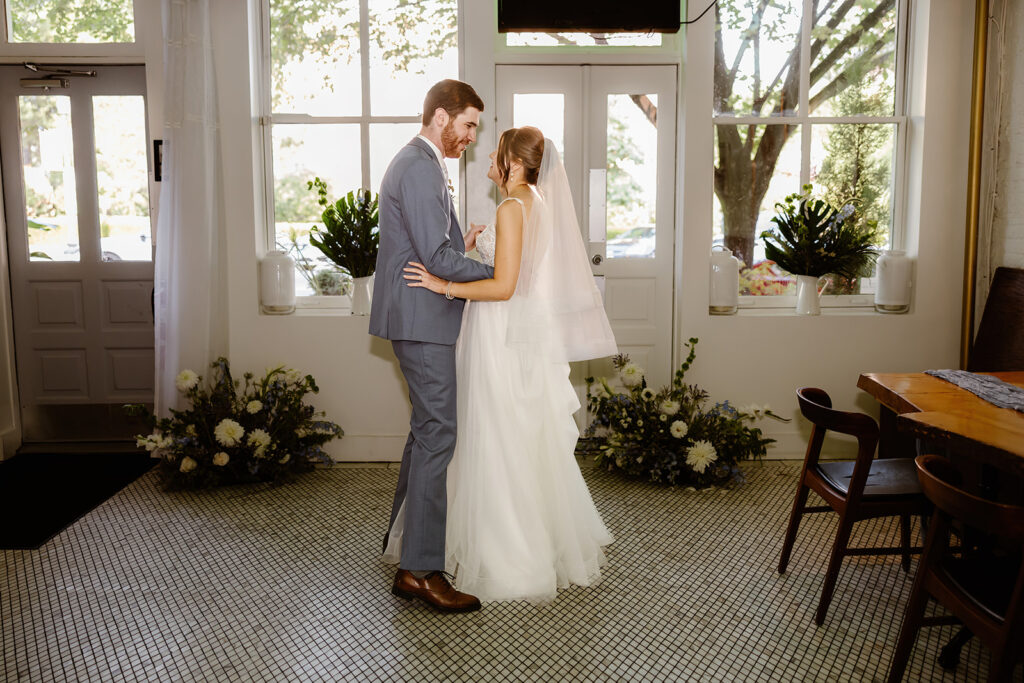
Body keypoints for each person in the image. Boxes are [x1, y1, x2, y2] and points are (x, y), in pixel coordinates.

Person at [388, 126, 618, 602]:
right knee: (514, 434)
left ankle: (503, 551)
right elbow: (514, 269)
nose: (488, 157)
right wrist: (472, 245)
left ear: (514, 162)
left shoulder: (511, 207)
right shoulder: (538, 201)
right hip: (519, 331)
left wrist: (442, 286)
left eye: (496, 153)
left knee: (492, 434)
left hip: (499, 331)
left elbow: (504, 285)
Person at [369, 79, 494, 613]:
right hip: (423, 320)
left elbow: (433, 246)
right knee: (439, 435)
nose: (470, 137)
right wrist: (500, 273)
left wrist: (456, 242)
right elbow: (437, 263)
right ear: (441, 117)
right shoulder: (419, 164)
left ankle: (405, 548)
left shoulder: (419, 162)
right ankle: (420, 570)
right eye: (468, 125)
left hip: (420, 317)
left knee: (425, 435)